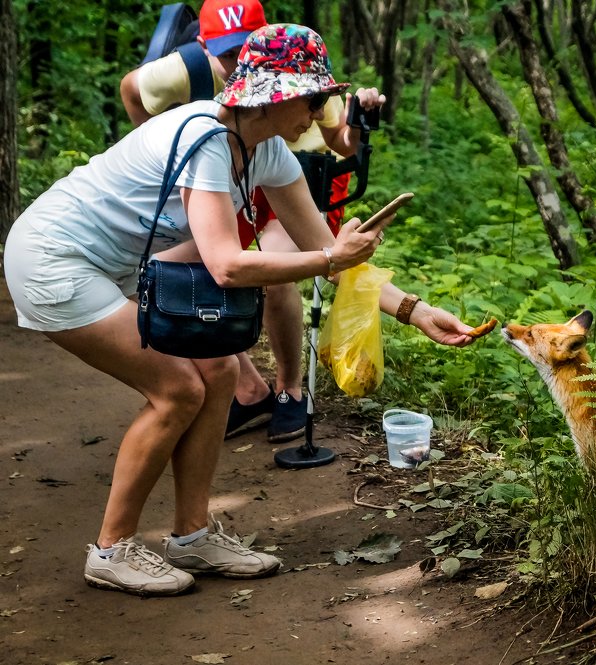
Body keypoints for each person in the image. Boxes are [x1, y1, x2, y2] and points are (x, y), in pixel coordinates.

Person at [4, 23, 478, 597]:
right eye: (313, 97)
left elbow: (317, 246)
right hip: (54, 259)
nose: (321, 111)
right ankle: (112, 549)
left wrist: (414, 310)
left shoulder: (267, 150)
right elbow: (229, 265)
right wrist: (329, 257)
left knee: (223, 369)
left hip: (113, 266)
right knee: (177, 389)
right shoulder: (207, 139)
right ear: (274, 94)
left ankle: (192, 534)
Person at [120, 0, 372, 443]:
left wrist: (413, 310)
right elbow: (227, 267)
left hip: (280, 174)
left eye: (244, 49)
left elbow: (341, 146)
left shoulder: (287, 90)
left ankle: (287, 390)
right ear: (202, 45)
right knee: (200, 287)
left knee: (272, 277)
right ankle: (247, 387)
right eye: (228, 54)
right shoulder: (194, 102)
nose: (239, 63)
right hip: (215, 181)